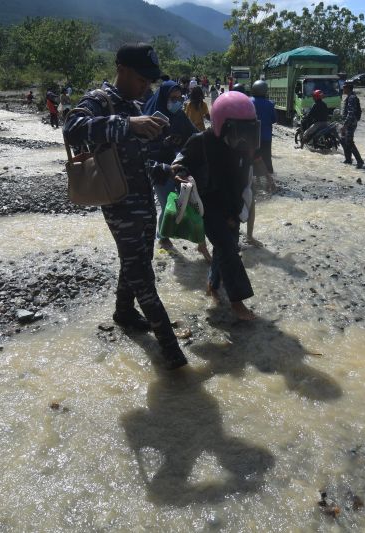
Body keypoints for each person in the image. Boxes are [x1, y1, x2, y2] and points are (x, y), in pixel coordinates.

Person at [63, 43, 187, 370]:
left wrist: (165, 171)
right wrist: (128, 125)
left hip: (143, 200)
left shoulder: (133, 104)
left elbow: (136, 159)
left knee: (135, 262)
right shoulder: (99, 101)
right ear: (122, 69)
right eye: (142, 79)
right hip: (119, 204)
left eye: (150, 81)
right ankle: (174, 356)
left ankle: (123, 312)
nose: (147, 86)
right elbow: (72, 128)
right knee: (143, 276)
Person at [172, 91, 259, 321]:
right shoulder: (200, 141)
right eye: (237, 130)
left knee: (225, 248)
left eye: (246, 130)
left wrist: (237, 212)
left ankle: (212, 284)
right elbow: (179, 162)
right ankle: (237, 303)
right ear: (221, 124)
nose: (242, 136)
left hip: (232, 206)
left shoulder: (242, 147)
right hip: (208, 205)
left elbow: (243, 182)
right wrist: (181, 173)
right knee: (230, 250)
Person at [142, 80, 210, 262]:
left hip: (180, 168)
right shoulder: (149, 119)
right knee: (166, 205)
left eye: (179, 98)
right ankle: (162, 237)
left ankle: (196, 240)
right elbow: (143, 152)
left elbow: (195, 134)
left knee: (188, 202)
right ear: (163, 97)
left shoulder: (179, 116)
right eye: (172, 98)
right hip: (159, 170)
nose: (176, 102)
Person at [250, 79, 277, 197]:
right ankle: (269, 184)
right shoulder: (270, 104)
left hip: (252, 137)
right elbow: (274, 119)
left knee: (253, 158)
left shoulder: (249, 102)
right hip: (266, 137)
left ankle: (255, 183)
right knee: (266, 159)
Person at [339, 82, 364, 168]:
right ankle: (348, 159)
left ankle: (359, 161)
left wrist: (345, 125)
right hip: (349, 122)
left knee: (349, 142)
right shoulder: (350, 97)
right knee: (343, 140)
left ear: (348, 88)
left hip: (350, 123)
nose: (343, 89)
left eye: (344, 87)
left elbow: (350, 113)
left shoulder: (352, 98)